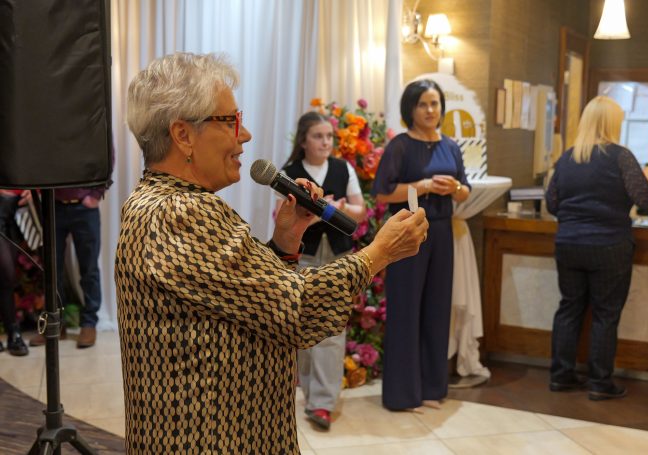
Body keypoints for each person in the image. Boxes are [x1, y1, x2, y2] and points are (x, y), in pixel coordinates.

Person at [117, 52, 428, 454]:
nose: (245, 136)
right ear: (183, 135)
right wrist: (379, 253)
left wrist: (285, 241)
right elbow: (296, 311)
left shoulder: (157, 201)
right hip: (210, 439)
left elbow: (246, 303)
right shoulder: (180, 212)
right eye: (231, 121)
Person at [545, 95, 648, 401]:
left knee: (569, 308)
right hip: (609, 245)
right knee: (605, 314)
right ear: (612, 123)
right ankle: (599, 382)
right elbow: (645, 199)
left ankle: (561, 376)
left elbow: (552, 203)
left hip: (569, 243)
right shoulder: (620, 156)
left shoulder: (568, 158)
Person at [372, 79, 470, 412]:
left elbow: (465, 191)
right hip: (408, 232)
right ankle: (402, 394)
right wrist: (425, 185)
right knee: (406, 308)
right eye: (423, 104)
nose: (430, 110)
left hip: (441, 231)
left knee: (437, 308)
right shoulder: (400, 146)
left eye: (435, 103)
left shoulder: (451, 146)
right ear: (411, 109)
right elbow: (383, 193)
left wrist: (454, 188)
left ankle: (431, 388)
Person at [280, 112, 367, 430]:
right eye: (318, 136)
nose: (326, 142)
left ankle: (323, 403)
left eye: (329, 136)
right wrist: (319, 212)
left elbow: (361, 211)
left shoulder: (344, 168)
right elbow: (281, 218)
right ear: (303, 140)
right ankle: (308, 391)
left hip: (338, 256)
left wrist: (338, 208)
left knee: (332, 328)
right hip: (303, 256)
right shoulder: (289, 173)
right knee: (304, 326)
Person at [29, 185, 107, 349]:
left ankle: (89, 323)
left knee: (89, 269)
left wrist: (96, 193)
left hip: (85, 208)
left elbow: (106, 166)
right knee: (52, 269)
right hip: (53, 206)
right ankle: (56, 324)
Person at [0, 189, 30, 356]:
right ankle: (13, 332)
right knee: (7, 272)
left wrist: (33, 190)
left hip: (15, 208)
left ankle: (13, 333)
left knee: (7, 280)